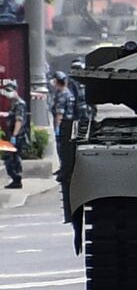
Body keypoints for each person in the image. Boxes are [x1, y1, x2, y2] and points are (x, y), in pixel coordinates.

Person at [51, 72, 76, 220]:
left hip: (64, 127)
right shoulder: (69, 92)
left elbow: (59, 114)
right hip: (71, 124)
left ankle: (64, 168)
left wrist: (57, 128)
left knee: (62, 150)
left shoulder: (62, 94)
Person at [1, 81, 27, 189]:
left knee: (11, 159)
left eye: (9, 91)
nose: (7, 94)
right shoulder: (14, 103)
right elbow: (13, 116)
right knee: (11, 158)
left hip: (16, 136)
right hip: (12, 134)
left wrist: (14, 136)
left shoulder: (19, 104)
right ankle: (16, 180)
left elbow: (18, 121)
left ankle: (17, 179)